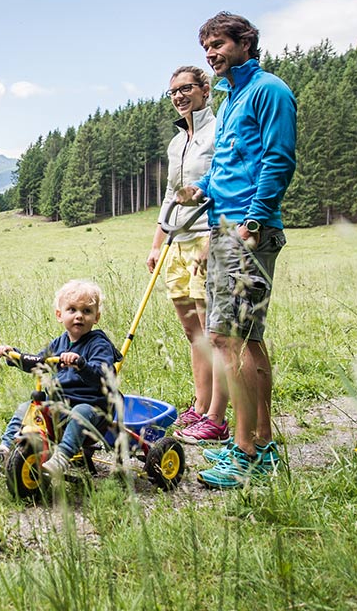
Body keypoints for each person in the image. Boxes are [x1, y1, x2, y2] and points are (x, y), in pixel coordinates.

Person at [175, 12, 296, 489]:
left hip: (246, 230)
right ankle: (260, 442)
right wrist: (200, 189)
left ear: (245, 43)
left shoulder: (269, 91)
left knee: (231, 339)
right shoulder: (231, 100)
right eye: (206, 46)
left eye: (219, 43)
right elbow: (228, 165)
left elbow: (277, 159)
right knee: (244, 338)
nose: (211, 53)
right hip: (225, 227)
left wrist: (253, 223)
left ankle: (246, 452)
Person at [144, 66, 225, 445]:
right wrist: (157, 243)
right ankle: (199, 405)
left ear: (205, 90)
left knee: (213, 332)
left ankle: (215, 417)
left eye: (186, 88)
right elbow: (170, 195)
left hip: (205, 237)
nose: (178, 96)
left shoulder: (219, 131)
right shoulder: (177, 143)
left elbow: (224, 185)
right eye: (173, 91)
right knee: (194, 333)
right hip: (176, 242)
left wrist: (214, 237)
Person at [0, 280, 120, 481]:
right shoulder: (59, 343)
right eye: (72, 310)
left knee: (80, 412)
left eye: (86, 311)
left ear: (96, 317)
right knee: (26, 408)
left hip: (95, 408)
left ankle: (62, 457)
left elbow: (103, 375)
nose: (79, 315)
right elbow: (38, 362)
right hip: (61, 404)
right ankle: (4, 449)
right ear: (60, 315)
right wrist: (12, 354)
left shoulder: (99, 344)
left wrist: (81, 364)